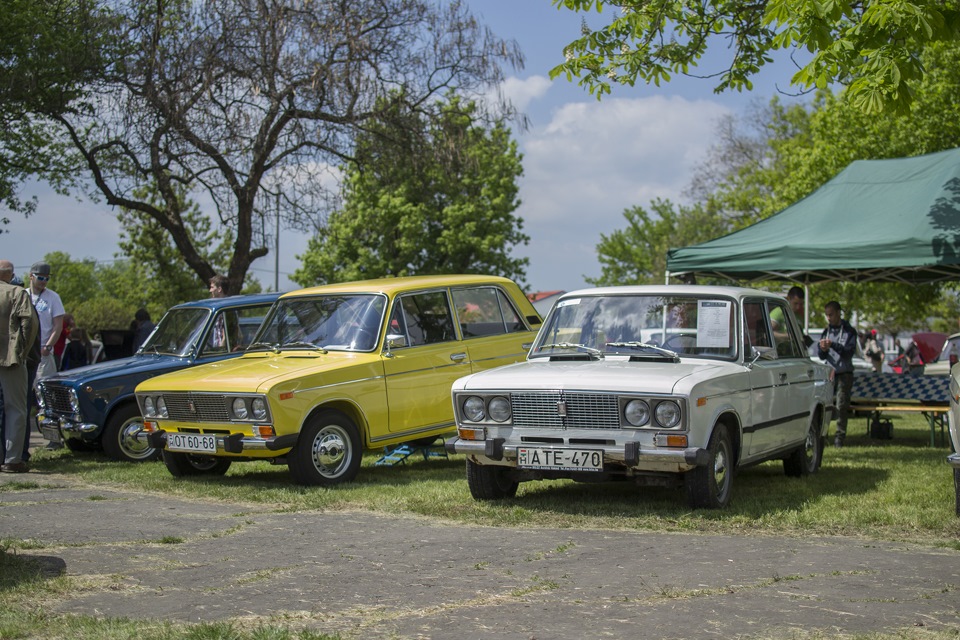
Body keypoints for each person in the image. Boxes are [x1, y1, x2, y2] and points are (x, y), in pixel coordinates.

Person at [0, 259, 39, 473]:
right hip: (10, 358)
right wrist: (22, 351)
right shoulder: (17, 293)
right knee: (15, 409)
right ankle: (13, 459)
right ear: (10, 274)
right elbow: (29, 323)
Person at [818, 300, 858, 448]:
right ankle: (824, 436)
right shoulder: (826, 331)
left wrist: (833, 345)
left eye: (831, 314)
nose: (829, 318)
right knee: (826, 406)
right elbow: (822, 356)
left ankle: (839, 438)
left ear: (839, 313)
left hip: (844, 374)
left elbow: (848, 353)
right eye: (827, 315)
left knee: (841, 406)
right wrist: (822, 349)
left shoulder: (849, 331)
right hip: (830, 374)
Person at [28, 262, 65, 382]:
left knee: (44, 389)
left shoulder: (53, 297)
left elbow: (58, 326)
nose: (44, 281)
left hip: (43, 352)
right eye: (40, 278)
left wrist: (47, 347)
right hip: (26, 352)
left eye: (47, 278)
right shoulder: (23, 295)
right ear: (31, 276)